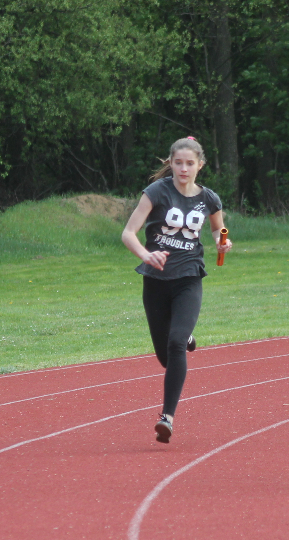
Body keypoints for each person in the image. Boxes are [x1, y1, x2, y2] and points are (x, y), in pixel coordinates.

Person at [122, 137, 232, 443]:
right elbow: (128, 233)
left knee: (175, 343)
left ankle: (166, 417)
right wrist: (146, 255)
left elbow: (217, 229)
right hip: (155, 279)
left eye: (190, 163)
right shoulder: (157, 191)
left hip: (188, 277)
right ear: (171, 163)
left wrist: (222, 241)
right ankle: (188, 336)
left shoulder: (209, 198)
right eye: (178, 163)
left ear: (200, 165)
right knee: (165, 356)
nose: (184, 169)